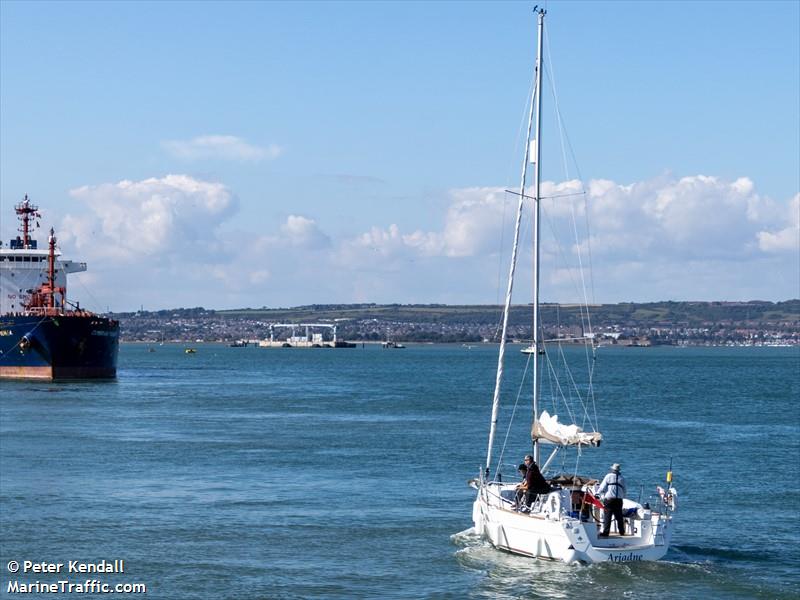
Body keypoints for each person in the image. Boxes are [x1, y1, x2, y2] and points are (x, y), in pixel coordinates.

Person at [596, 463, 627, 537]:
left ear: (612, 469)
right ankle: (622, 532)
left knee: (608, 516)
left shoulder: (608, 476)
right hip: (619, 500)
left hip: (609, 499)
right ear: (619, 470)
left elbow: (602, 487)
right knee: (619, 516)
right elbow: (625, 490)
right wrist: (622, 497)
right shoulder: (622, 478)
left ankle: (606, 533)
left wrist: (597, 494)